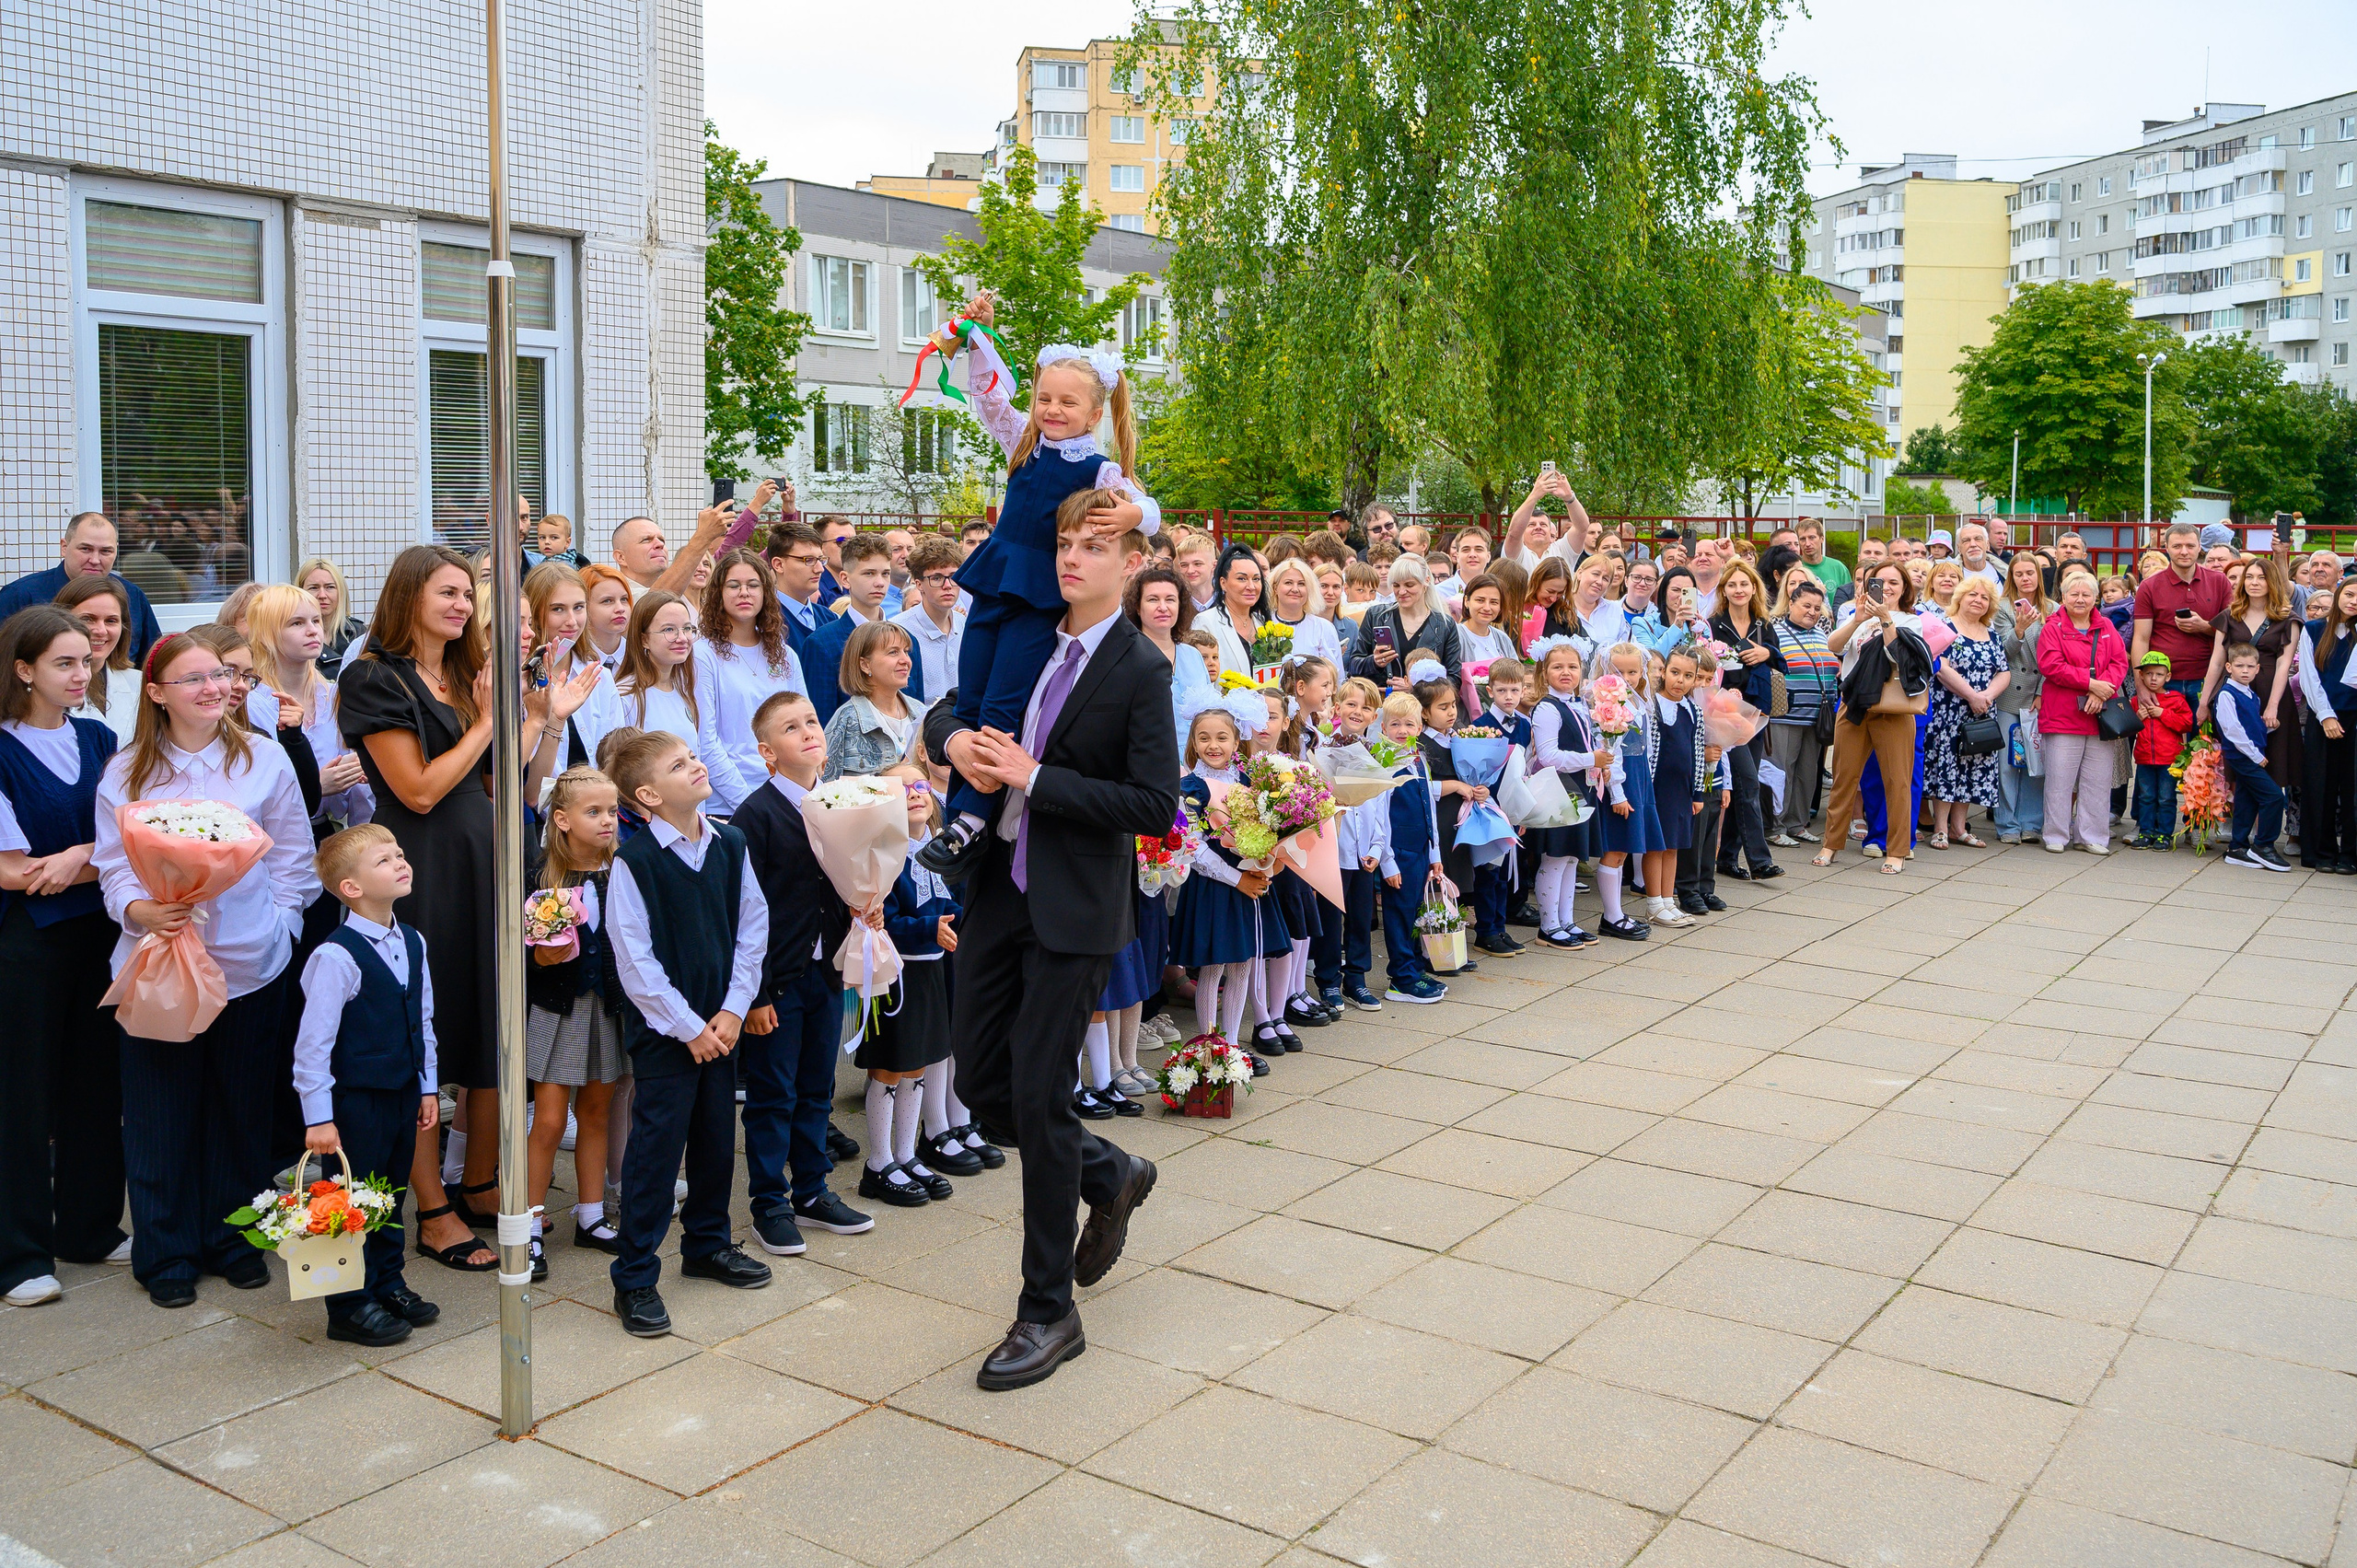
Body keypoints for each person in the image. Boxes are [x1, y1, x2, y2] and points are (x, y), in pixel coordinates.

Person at [922, 505, 1179, 1392]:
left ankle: (1046, 1311)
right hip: (996, 886)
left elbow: (1156, 806)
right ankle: (1111, 1171)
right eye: (1065, 543)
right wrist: (954, 740)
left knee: (1036, 1092)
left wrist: (1040, 779)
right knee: (984, 1081)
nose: (1072, 558)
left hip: (1074, 902)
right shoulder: (1027, 628)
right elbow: (953, 709)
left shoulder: (1141, 667)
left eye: (1094, 545)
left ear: (1133, 560)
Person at [98, 631, 319, 1307]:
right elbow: (111, 863)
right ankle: (164, 1251)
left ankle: (234, 1238)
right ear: (157, 693)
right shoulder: (128, 769)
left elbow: (294, 859)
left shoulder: (264, 759)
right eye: (194, 679)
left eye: (221, 676)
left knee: (240, 1107)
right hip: (161, 964)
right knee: (161, 1111)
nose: (214, 688)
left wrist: (282, 925)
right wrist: (138, 910)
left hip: (251, 961)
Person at [916, 296, 1158, 883]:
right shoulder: (1022, 442)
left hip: (1039, 597)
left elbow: (1147, 508)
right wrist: (978, 337)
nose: (1051, 409)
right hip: (996, 585)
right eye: (1044, 398)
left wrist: (1131, 518)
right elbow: (989, 395)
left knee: (1000, 704)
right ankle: (961, 818)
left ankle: (971, 820)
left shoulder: (1097, 470)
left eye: (1067, 401)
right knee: (969, 697)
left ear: (1095, 412)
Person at [336, 546, 500, 1274]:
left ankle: (484, 1183)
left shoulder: (464, 675)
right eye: (447, 592)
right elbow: (420, 790)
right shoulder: (373, 678)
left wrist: (533, 717)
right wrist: (490, 723)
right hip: (421, 867)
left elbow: (497, 783)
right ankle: (430, 1207)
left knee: (486, 1020)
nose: (462, 605)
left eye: (467, 594)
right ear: (408, 596)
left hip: (480, 862)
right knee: (426, 1034)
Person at [602, 729, 774, 1337]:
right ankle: (636, 1274)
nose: (698, 765)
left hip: (721, 1024)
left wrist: (731, 1010)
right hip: (665, 1031)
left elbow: (752, 927)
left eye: (694, 756)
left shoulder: (729, 842)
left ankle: (706, 1242)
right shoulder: (635, 861)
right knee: (658, 1146)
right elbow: (635, 959)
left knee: (712, 1134)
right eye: (680, 764)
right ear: (649, 794)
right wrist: (687, 1026)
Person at [0, 608, 127, 1307]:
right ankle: (17, 1254)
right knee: (24, 1094)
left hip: (97, 932)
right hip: (29, 939)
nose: (83, 674)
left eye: (87, 662)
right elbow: (16, 872)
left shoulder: (100, 737)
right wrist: (93, 856)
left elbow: (122, 841)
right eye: (65, 663)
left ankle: (88, 1227)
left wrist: (81, 854)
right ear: (24, 669)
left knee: (94, 1085)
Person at [731, 691, 873, 1260]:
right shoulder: (755, 816)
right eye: (792, 728)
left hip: (828, 970)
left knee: (819, 1088)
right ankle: (770, 1202)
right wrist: (756, 993)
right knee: (773, 1093)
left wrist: (867, 903)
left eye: (811, 720)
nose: (809, 731)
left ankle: (813, 1190)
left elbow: (847, 881)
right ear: (768, 752)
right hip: (779, 981)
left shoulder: (839, 803)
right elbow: (744, 911)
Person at [288, 824, 441, 1345]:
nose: (401, 863)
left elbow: (423, 1022)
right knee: (349, 1198)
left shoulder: (413, 940)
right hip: (354, 1101)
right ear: (350, 888)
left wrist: (427, 1087)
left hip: (401, 1091)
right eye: (384, 860)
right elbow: (313, 1045)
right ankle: (347, 1306)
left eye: (400, 853)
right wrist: (318, 1117)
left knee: (391, 1195)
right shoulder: (336, 956)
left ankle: (386, 1281)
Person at [522, 766, 630, 1267]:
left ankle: (590, 1214)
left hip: (608, 1008)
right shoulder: (539, 877)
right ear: (561, 819)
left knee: (596, 1112)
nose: (607, 821)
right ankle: (527, 1224)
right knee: (547, 1119)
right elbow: (532, 959)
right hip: (558, 1010)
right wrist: (549, 946)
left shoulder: (624, 872)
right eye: (594, 812)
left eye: (611, 810)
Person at [855, 766, 962, 1206]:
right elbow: (887, 921)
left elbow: (949, 904)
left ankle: (906, 1152)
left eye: (921, 785)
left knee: (920, 1061)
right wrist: (928, 928)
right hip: (897, 975)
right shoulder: (885, 857)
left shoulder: (936, 852)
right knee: (891, 1064)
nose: (916, 793)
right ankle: (878, 1161)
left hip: (931, 971)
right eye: (902, 788)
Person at [1171, 693, 1284, 1053]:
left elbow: (1272, 829)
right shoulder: (1191, 787)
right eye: (1203, 738)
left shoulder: (1252, 781)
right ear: (1193, 743)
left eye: (1222, 737)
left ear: (1237, 741)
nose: (1213, 745)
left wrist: (1270, 862)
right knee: (1213, 967)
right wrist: (1238, 879)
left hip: (1250, 883)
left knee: (1242, 965)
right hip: (1215, 886)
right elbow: (1194, 847)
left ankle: (1232, 1046)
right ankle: (1209, 1047)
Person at [574, 591, 738, 806]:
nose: (682, 638)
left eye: (687, 629)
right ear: (644, 639)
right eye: (669, 630)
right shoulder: (625, 696)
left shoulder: (685, 691)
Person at [1817, 562, 1927, 875]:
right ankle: (1831, 844)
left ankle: (1897, 851)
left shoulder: (1911, 621)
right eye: (1880, 581)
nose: (1887, 587)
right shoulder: (1857, 617)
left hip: (1893, 709)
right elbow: (1834, 646)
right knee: (1843, 778)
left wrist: (1886, 621)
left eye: (1895, 582)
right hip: (1854, 706)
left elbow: (1899, 658)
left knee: (1897, 781)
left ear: (1905, 587)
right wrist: (1859, 621)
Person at [248, 584, 373, 830]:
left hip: (333, 834)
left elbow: (358, 795)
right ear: (267, 634)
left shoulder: (332, 696)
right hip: (275, 840)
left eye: (316, 620)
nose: (312, 630)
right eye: (296, 623)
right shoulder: (253, 704)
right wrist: (315, 787)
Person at [694, 549, 806, 813]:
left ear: (766, 592)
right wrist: (749, 804)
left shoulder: (785, 654)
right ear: (718, 594)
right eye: (733, 585)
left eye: (753, 585)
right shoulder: (702, 654)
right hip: (729, 803)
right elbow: (706, 742)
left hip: (786, 795)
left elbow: (803, 725)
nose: (744, 592)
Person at [2036, 569, 2130, 856]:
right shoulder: (2052, 627)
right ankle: (2055, 833)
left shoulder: (2106, 627)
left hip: (2099, 714)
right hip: (2063, 714)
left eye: (2086, 594)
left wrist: (2103, 690)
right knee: (2059, 780)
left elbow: (2119, 661)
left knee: (2097, 781)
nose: (2080, 599)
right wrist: (2090, 683)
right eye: (2073, 594)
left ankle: (2092, 835)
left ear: (2095, 597)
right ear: (2062, 597)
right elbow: (2050, 664)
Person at [2195, 556, 2300, 799]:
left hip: (2272, 691)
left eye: (2261, 578)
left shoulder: (2287, 618)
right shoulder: (2228, 616)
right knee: (2236, 756)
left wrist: (2272, 706)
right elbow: (2217, 661)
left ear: (2272, 582)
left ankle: (2265, 828)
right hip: (2234, 694)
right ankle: (2240, 824)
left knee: (2272, 761)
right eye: (2249, 577)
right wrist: (2204, 702)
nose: (2254, 583)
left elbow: (2285, 664)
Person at [0, 513, 165, 666]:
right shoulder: (20, 597)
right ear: (64, 547)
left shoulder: (133, 596)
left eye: (105, 551)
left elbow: (152, 663)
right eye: (85, 549)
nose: (95, 560)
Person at [1706, 560, 1782, 881]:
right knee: (1749, 782)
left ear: (1754, 588)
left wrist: (1766, 654)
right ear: (1724, 590)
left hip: (1757, 712)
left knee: (1742, 785)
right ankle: (1760, 861)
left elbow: (1781, 660)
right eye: (1732, 585)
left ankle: (1726, 858)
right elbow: (1705, 664)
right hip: (1725, 713)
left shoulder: (1763, 624)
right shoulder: (1712, 624)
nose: (1739, 590)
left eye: (1744, 584)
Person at [1373, 691, 1450, 998]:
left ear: (1419, 728)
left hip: (1420, 849)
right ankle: (1400, 977)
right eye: (1395, 725)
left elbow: (1429, 807)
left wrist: (1435, 852)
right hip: (1399, 851)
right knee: (1398, 913)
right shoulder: (1385, 765)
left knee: (1415, 910)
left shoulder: (1418, 761)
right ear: (1384, 728)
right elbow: (1380, 818)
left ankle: (1415, 967)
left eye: (1409, 724)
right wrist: (1387, 861)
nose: (1402, 731)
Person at [1923, 575, 2007, 848]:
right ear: (1960, 598)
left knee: (1972, 767)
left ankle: (1960, 827)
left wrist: (1986, 697)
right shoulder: (1943, 628)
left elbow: (2003, 672)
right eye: (1973, 595)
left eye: (1984, 598)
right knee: (1947, 766)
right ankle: (1940, 828)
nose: (1978, 601)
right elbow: (1941, 667)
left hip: (1981, 712)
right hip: (1950, 710)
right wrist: (1971, 695)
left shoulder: (1992, 633)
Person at [1527, 638, 1600, 948]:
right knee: (1555, 857)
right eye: (1557, 667)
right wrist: (1588, 760)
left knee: (1571, 858)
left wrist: (1600, 763)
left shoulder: (1580, 704)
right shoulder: (1547, 708)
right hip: (1559, 789)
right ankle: (1549, 925)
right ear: (1545, 673)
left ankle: (1567, 920)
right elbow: (1548, 756)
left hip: (1581, 785)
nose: (1566, 672)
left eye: (1572, 666)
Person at [807, 535, 924, 724]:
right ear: (845, 579)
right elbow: (821, 720)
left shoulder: (908, 641)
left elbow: (915, 710)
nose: (879, 582)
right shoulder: (823, 643)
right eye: (869, 573)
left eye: (885, 574)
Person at [1591, 641, 1663, 936]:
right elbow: (1611, 752)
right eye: (1618, 671)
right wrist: (1617, 793)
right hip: (1622, 782)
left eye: (1632, 671)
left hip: (1639, 779)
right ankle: (1611, 916)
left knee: (1623, 850)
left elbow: (1645, 749)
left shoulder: (1638, 701)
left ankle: (1616, 913)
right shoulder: (1610, 705)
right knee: (1617, 848)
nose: (1626, 678)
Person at [2132, 522, 2232, 716]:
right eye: (2177, 546)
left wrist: (2204, 627)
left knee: (2204, 743)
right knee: (2166, 745)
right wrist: (2140, 684)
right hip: (2163, 680)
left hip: (2207, 677)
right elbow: (2141, 638)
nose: (2184, 552)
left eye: (2190, 546)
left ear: (2200, 547)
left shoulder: (2219, 582)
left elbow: (2233, 630)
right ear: (2167, 548)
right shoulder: (2149, 586)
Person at [1766, 579, 1836, 845]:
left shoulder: (1821, 634)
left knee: (1808, 772)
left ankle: (1797, 822)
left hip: (1817, 716)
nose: (1812, 612)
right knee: (1780, 770)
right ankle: (1774, 826)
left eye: (1817, 608)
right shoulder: (1776, 631)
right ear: (1791, 603)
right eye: (1806, 605)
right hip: (1785, 714)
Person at [2295, 577, 2357, 872]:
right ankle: (2321, 852)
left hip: (2355, 718)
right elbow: (2309, 677)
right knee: (2321, 785)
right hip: (2325, 718)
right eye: (2349, 594)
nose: (2353, 600)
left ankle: (2351, 855)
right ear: (2338, 595)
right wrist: (2326, 716)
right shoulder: (2315, 629)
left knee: (2353, 788)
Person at [2216, 642, 2291, 873]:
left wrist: (2268, 727)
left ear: (2258, 669)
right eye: (2240, 666)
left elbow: (2251, 725)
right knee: (2273, 797)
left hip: (2250, 753)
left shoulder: (2252, 695)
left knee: (2247, 799)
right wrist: (2255, 755)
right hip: (2243, 755)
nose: (2245, 670)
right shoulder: (2227, 694)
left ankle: (2238, 847)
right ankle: (2263, 846)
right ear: (2229, 667)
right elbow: (2232, 729)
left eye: (2250, 666)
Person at [1992, 553, 2051, 845]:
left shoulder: (2052, 609)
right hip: (2009, 692)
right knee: (2006, 762)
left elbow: (2054, 658)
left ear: (2039, 576)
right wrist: (2019, 629)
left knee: (2034, 760)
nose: (2025, 578)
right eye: (2019, 574)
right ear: (2011, 577)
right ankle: (2007, 823)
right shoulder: (2002, 608)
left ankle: (2031, 823)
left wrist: (2041, 691)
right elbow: (2002, 651)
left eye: (2030, 572)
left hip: (2041, 694)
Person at [821, 621, 919, 780]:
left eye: (906, 652)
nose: (905, 660)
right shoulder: (845, 721)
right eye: (893, 652)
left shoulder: (923, 714)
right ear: (865, 665)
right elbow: (826, 789)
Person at [1350, 557, 1463, 693]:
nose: (1401, 592)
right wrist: (1374, 662)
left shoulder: (1444, 624)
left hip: (1425, 708)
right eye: (1396, 585)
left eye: (1409, 585)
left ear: (1426, 582)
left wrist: (1415, 688)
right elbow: (1354, 665)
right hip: (1382, 705)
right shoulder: (1376, 616)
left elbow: (1454, 679)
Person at [54, 575, 144, 742]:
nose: (101, 630)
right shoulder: (44, 687)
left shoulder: (139, 683)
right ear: (60, 621)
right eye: (88, 619)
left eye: (111, 621)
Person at [2128, 654, 2196, 850]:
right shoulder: (2136, 701)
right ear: (2141, 676)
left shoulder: (2176, 699)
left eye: (2159, 674)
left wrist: (2163, 713)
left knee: (2166, 798)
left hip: (2169, 759)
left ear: (2168, 677)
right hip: (2144, 758)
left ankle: (2164, 834)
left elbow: (2186, 724)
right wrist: (2137, 719)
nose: (2153, 678)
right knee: (2146, 797)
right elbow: (2128, 729)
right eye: (2149, 674)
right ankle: (2145, 831)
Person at [891, 536, 967, 701]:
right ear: (919, 584)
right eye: (937, 578)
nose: (947, 585)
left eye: (954, 576)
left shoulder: (966, 626)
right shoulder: (897, 630)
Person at [763, 522, 841, 675]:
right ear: (778, 565)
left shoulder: (831, 618)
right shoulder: (762, 620)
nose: (820, 569)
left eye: (821, 559)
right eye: (808, 560)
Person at [1198, 544, 1269, 680]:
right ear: (1223, 583)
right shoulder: (1206, 622)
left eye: (1256, 579)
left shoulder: (1263, 623)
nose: (1251, 586)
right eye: (1242, 579)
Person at [1265, 557, 1346, 670]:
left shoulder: (1323, 628)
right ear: (1275, 588)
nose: (1295, 589)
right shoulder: (1261, 625)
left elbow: (1337, 677)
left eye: (1301, 584)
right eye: (1288, 583)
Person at [297, 559, 368, 680]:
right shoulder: (292, 634)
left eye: (329, 587)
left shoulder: (357, 632)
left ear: (341, 591)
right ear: (300, 592)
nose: (322, 595)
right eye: (314, 588)